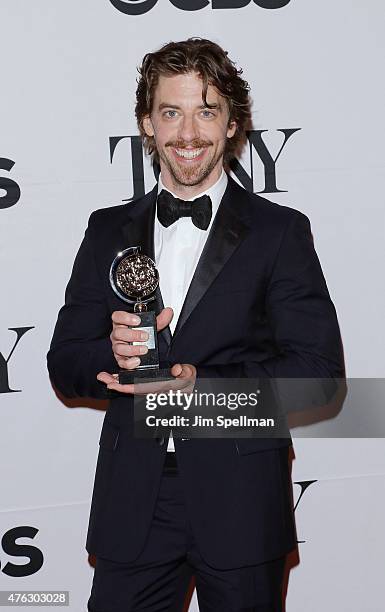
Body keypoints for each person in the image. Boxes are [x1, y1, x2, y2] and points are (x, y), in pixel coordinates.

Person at [47, 38, 344, 611]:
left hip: (241, 499)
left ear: (235, 124)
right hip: (133, 501)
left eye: (207, 111)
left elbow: (319, 374)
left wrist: (202, 388)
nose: (188, 133)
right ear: (146, 124)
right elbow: (65, 363)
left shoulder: (279, 232)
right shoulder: (106, 229)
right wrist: (114, 355)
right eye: (171, 112)